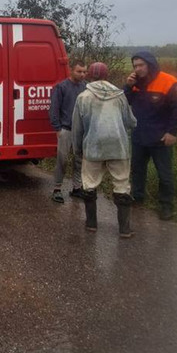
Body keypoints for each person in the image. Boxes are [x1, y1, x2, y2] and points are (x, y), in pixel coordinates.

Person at [72, 62, 137, 237]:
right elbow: (131, 122)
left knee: (89, 184)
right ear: (107, 75)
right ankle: (124, 229)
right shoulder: (120, 96)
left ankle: (91, 224)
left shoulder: (83, 97)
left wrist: (78, 149)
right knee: (122, 184)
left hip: (93, 147)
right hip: (118, 147)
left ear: (90, 76)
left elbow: (77, 128)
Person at [124, 51, 177, 220]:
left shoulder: (169, 82)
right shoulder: (136, 83)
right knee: (137, 170)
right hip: (139, 135)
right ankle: (137, 198)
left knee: (164, 174)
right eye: (135, 66)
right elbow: (125, 102)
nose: (137, 69)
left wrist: (172, 132)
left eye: (141, 65)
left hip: (160, 138)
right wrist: (128, 86)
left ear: (150, 64)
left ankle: (166, 206)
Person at [48, 60, 87, 203]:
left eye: (84, 72)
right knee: (62, 160)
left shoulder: (86, 87)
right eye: (79, 71)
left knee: (79, 160)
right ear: (71, 70)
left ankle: (77, 188)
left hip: (81, 131)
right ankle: (57, 189)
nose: (82, 74)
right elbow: (54, 109)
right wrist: (57, 128)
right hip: (66, 130)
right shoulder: (61, 87)